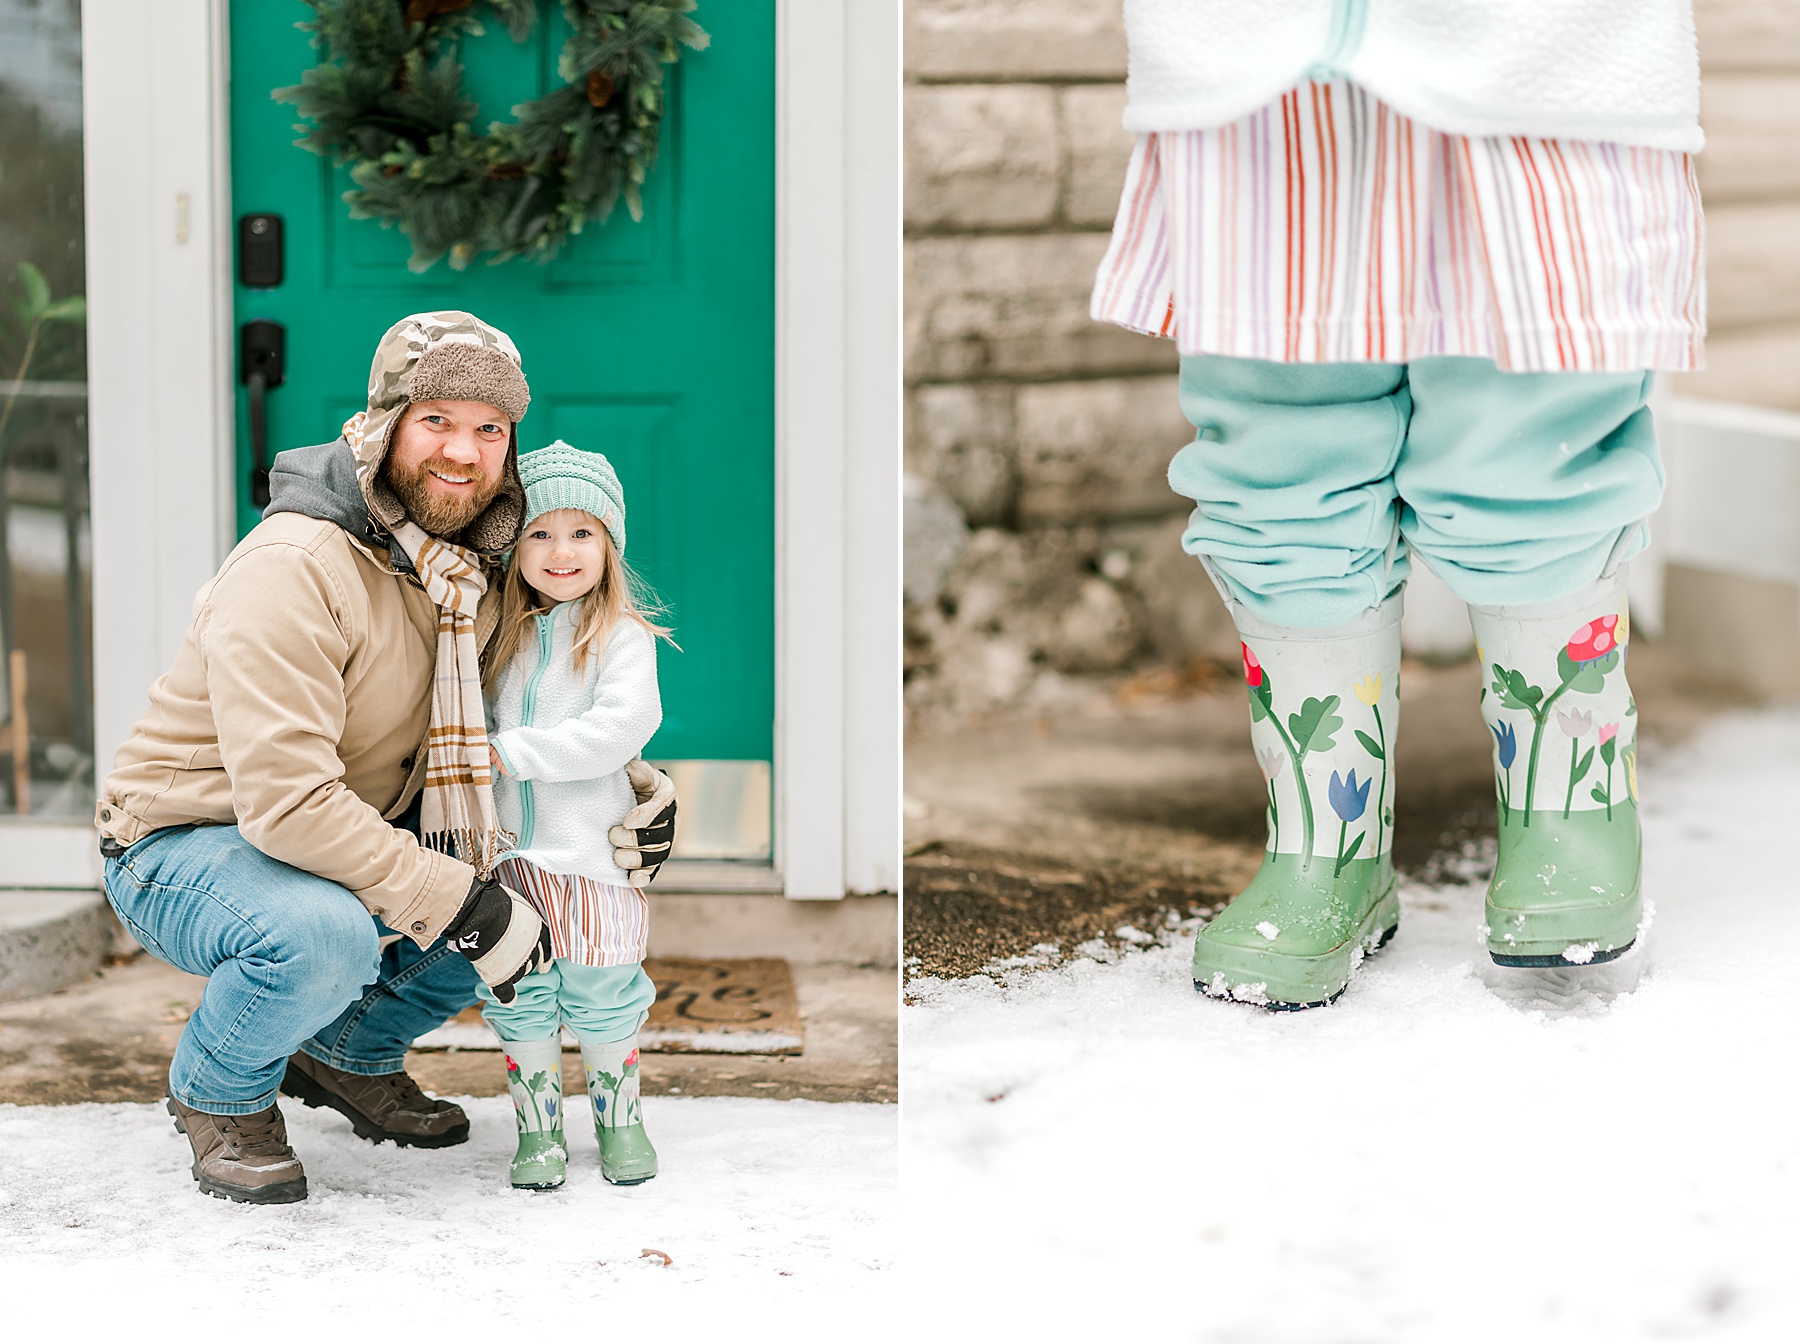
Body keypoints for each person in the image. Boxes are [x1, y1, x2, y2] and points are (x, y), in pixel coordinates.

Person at [1090, 3, 1704, 1007]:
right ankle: (1325, 848)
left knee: (1533, 403)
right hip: (1266, 66)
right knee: (1278, 427)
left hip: (1541, 52)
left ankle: (1568, 814)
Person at [95, 312, 677, 1203]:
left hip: (346, 825)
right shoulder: (295, 565)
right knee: (330, 933)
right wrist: (466, 908)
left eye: (490, 429)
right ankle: (219, 1090)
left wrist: (630, 790)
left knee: (534, 882)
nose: (464, 451)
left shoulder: (466, 568)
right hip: (188, 842)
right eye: (435, 418)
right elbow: (286, 807)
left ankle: (345, 1052)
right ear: (380, 425)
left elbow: (518, 715)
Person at [479, 441, 669, 1191]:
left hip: (592, 859)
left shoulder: (621, 635)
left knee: (602, 989)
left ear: (609, 543)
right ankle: (539, 1132)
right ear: (516, 544)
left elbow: (622, 728)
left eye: (582, 533)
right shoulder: (500, 635)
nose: (561, 551)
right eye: (540, 533)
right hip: (514, 862)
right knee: (520, 992)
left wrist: (513, 754)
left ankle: (620, 1123)